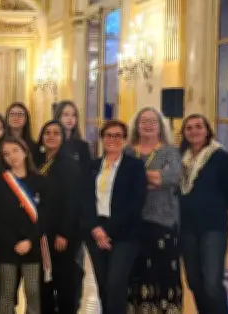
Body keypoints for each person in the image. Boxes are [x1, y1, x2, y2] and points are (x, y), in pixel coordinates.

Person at [81, 120, 146, 314]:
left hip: (125, 233)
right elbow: (85, 200)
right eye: (109, 135)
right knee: (103, 286)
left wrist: (107, 230)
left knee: (115, 284)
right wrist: (95, 229)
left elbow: (135, 203)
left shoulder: (134, 167)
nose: (113, 139)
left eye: (118, 135)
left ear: (125, 140)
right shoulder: (92, 166)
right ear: (102, 139)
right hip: (95, 232)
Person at [178, 114, 228, 314]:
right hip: (186, 228)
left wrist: (211, 206)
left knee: (212, 283)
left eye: (199, 126)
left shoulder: (220, 157)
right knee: (194, 281)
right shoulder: (181, 158)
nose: (194, 131)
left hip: (213, 228)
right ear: (184, 133)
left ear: (207, 130)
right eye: (189, 128)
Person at [125, 107, 183, 313]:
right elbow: (123, 182)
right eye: (143, 121)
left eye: (152, 121)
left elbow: (172, 179)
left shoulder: (170, 152)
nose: (148, 125)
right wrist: (154, 178)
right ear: (136, 125)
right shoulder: (127, 152)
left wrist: (140, 179)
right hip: (133, 221)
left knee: (164, 273)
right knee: (137, 273)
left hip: (163, 220)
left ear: (160, 126)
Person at [0, 136, 50, 314]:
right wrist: (12, 242)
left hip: (32, 246)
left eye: (15, 151)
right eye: (7, 154)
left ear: (25, 151)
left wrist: (30, 240)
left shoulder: (40, 181)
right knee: (7, 294)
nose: (12, 157)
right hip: (7, 248)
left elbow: (45, 216)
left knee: (33, 293)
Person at [34, 121, 83, 314]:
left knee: (64, 281)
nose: (51, 136)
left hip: (62, 233)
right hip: (41, 230)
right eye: (47, 132)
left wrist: (64, 232)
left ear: (63, 138)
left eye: (56, 133)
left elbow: (72, 201)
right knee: (44, 280)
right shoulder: (37, 162)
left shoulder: (69, 164)